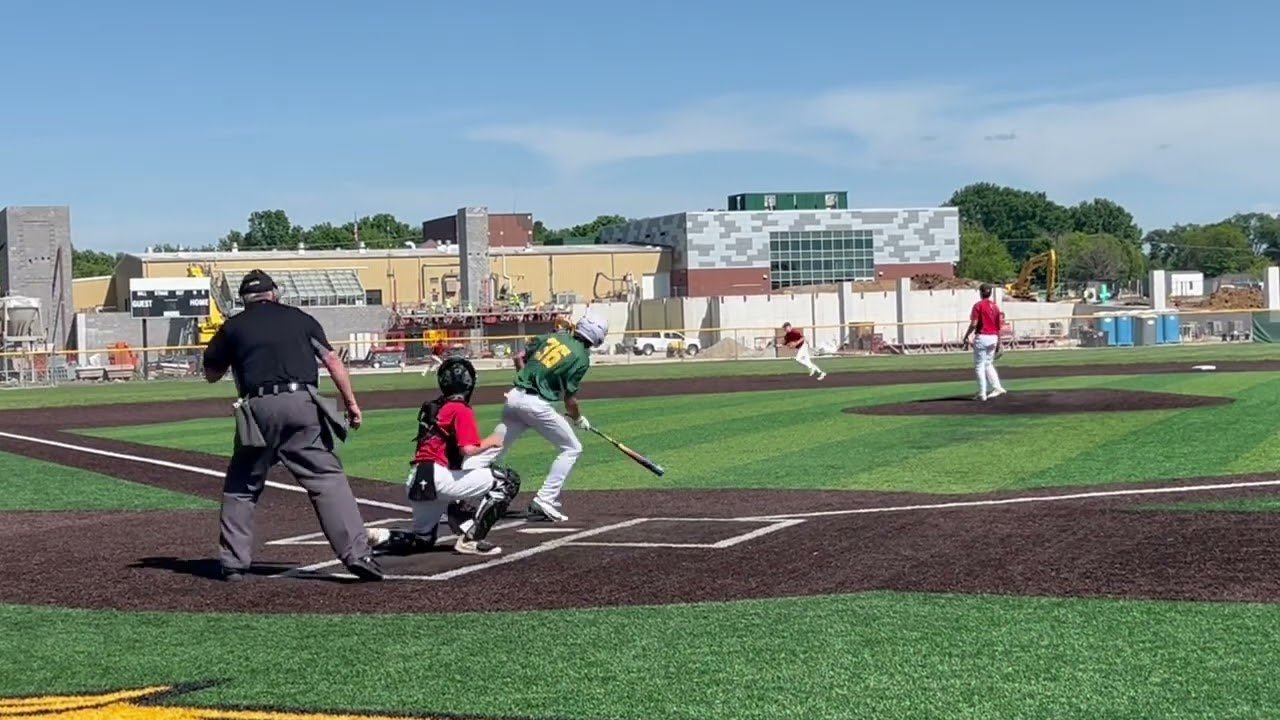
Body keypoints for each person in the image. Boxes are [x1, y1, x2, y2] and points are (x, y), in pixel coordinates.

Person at [202, 269, 383, 582]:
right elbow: (333, 361)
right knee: (326, 479)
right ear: (274, 294)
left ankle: (233, 564)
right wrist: (351, 404)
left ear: (244, 299)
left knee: (241, 487)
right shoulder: (300, 318)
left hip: (257, 408)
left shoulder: (233, 326)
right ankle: (357, 554)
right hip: (301, 404)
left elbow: (211, 373)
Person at [367, 356, 522, 556]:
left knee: (422, 540)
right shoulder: (460, 409)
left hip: (417, 479)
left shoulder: (435, 407)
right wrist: (492, 441)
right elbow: (468, 449)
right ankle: (471, 539)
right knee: (507, 481)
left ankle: (377, 536)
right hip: (438, 477)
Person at [492, 313, 608, 522]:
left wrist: (528, 380)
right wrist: (578, 418)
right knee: (572, 448)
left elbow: (518, 358)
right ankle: (545, 499)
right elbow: (570, 399)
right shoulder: (581, 357)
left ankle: (454, 494)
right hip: (535, 405)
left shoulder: (552, 337)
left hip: (514, 398)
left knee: (493, 449)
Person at [962, 283, 1007, 401]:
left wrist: (966, 335)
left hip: (982, 337)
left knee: (979, 365)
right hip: (993, 337)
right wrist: (999, 342)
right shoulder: (995, 307)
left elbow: (974, 323)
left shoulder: (978, 305)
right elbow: (998, 327)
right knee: (988, 363)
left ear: (981, 292)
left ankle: (982, 393)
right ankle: (997, 387)